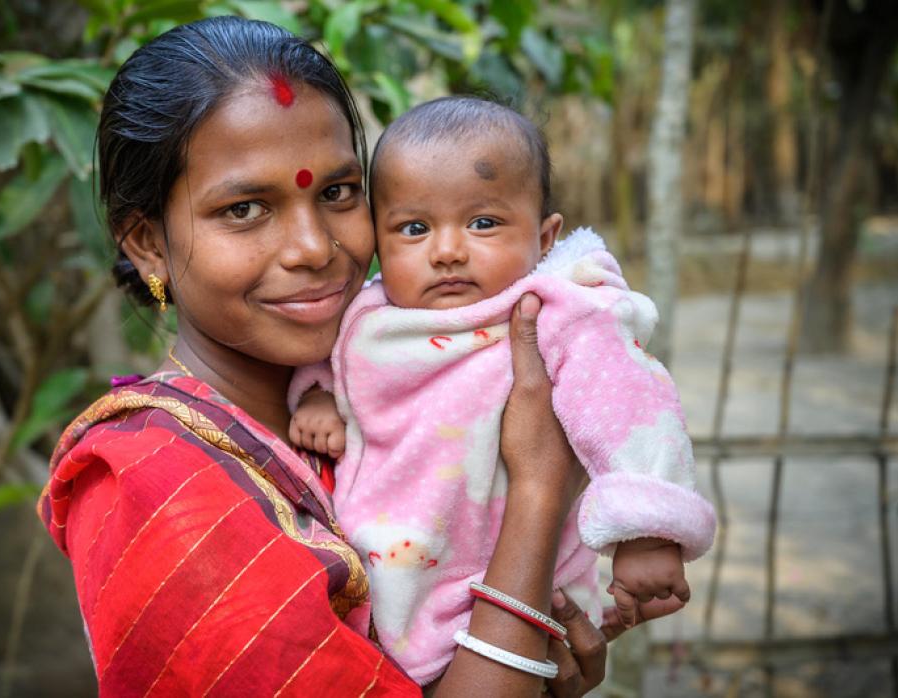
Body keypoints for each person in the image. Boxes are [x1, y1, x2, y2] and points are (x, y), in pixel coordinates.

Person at [37, 17, 679, 697]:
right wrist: (540, 490)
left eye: (339, 193)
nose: (315, 247)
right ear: (147, 243)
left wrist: (543, 664)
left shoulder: (389, 384)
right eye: (246, 208)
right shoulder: (152, 486)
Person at [288, 97, 717, 683]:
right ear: (378, 244)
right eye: (414, 228)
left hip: (516, 573)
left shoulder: (559, 312)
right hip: (389, 575)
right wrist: (317, 396)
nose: (446, 250)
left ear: (545, 238)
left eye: (483, 222)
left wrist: (649, 531)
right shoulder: (373, 311)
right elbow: (330, 356)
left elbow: (632, 406)